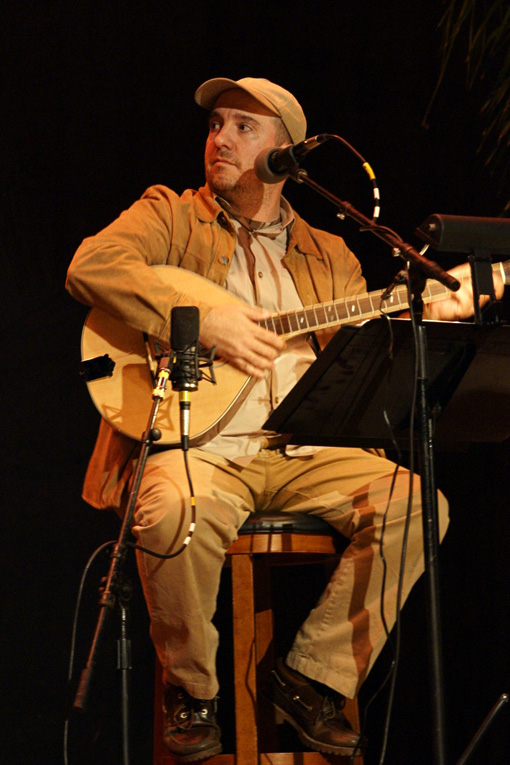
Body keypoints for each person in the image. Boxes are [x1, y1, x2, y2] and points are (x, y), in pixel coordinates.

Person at [66, 77, 502, 762]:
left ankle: (311, 679)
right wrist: (208, 321)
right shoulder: (173, 215)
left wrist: (431, 312)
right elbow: (92, 265)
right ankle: (193, 691)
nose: (221, 138)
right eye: (216, 125)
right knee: (170, 510)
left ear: (286, 153)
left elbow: (365, 351)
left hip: (302, 448)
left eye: (244, 126)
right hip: (198, 449)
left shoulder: (330, 251)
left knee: (417, 505)